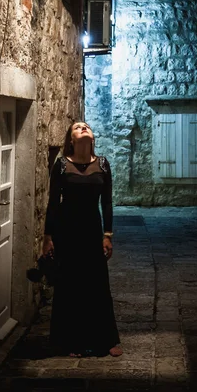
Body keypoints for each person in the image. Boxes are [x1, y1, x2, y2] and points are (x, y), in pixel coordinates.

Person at [43, 121, 122, 358]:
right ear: (71, 139)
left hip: (91, 230)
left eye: (86, 126)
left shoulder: (103, 165)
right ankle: (70, 342)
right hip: (66, 231)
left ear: (93, 137)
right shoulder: (62, 165)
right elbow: (53, 203)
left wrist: (107, 235)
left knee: (97, 284)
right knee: (69, 286)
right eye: (77, 127)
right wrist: (47, 237)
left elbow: (107, 203)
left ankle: (106, 340)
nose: (83, 128)